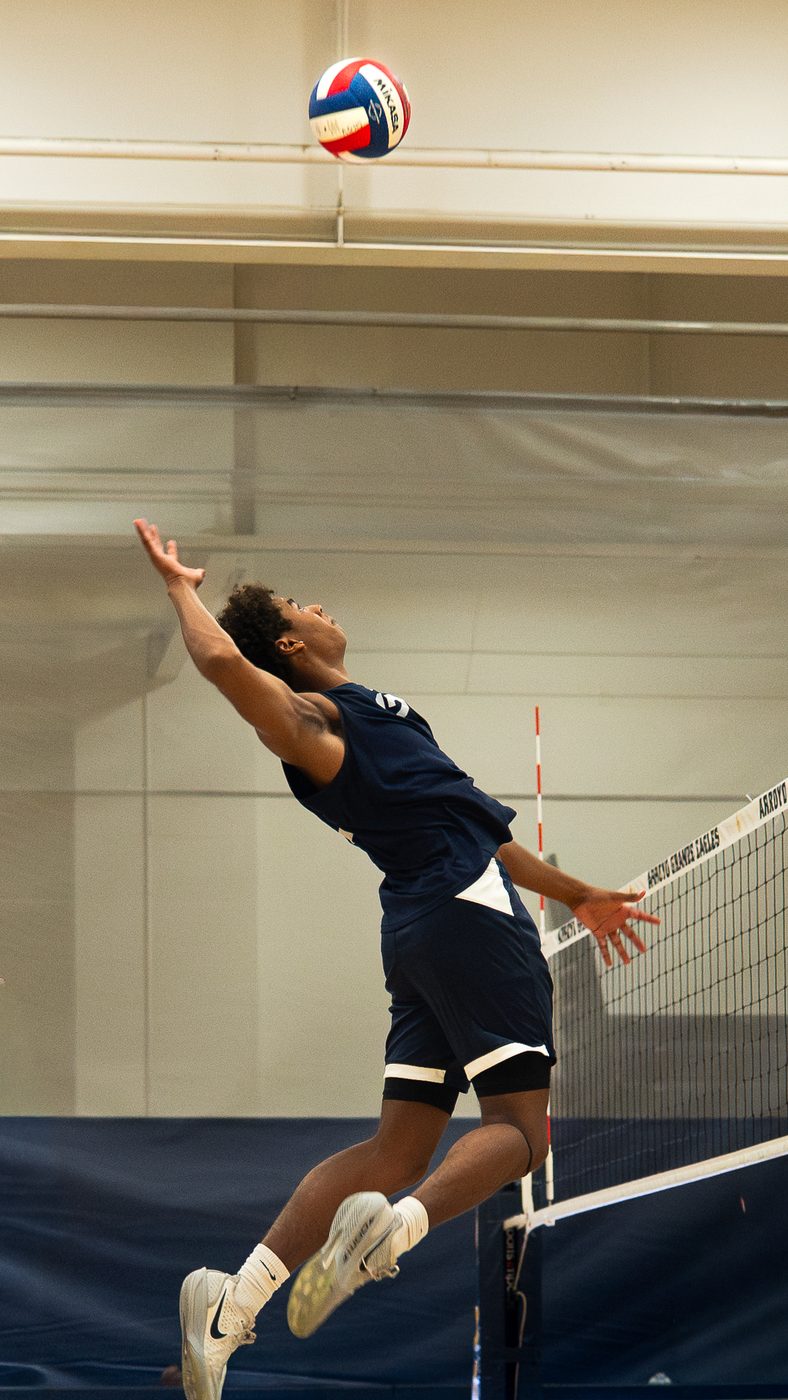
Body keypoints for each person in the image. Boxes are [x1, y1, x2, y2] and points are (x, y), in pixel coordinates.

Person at [133, 518, 658, 1400]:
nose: (322, 605)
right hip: (466, 917)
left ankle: (230, 1306)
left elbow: (483, 828)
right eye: (305, 606)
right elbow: (228, 667)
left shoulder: (385, 716)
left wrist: (574, 894)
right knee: (522, 1135)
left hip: (419, 927)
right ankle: (397, 1231)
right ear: (293, 643)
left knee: (398, 1144)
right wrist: (180, 587)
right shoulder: (319, 727)